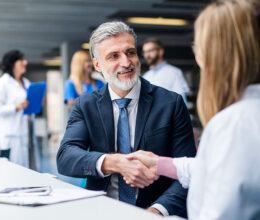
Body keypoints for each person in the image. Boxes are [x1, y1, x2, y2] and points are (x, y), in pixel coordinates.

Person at [130, 0, 260, 219]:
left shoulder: (234, 124)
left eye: (198, 46)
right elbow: (221, 170)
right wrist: (162, 164)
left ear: (215, 54)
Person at [56, 21, 196, 218]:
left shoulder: (171, 104)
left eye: (130, 52)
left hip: (154, 209)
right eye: (114, 56)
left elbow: (187, 171)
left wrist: (157, 211)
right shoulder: (85, 105)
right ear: (97, 64)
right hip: (101, 210)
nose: (126, 62)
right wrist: (114, 162)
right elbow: (66, 157)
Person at [0, 50, 30, 167]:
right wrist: (15, 107)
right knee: (10, 171)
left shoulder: (26, 83)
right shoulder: (2, 83)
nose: (25, 62)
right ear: (12, 64)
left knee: (25, 172)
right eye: (21, 60)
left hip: (23, 134)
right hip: (9, 136)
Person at [142, 38, 190, 103]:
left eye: (150, 50)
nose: (147, 55)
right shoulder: (146, 76)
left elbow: (181, 101)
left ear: (161, 51)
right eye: (145, 52)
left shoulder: (174, 73)